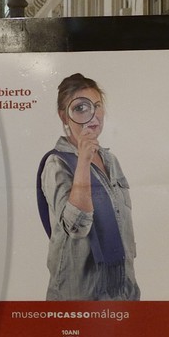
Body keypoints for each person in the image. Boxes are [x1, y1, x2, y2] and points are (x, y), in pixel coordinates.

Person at [41, 73, 139, 301]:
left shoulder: (110, 160)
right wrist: (83, 160)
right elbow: (76, 227)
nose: (93, 116)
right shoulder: (57, 163)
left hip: (122, 291)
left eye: (97, 106)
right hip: (78, 294)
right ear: (64, 117)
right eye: (81, 108)